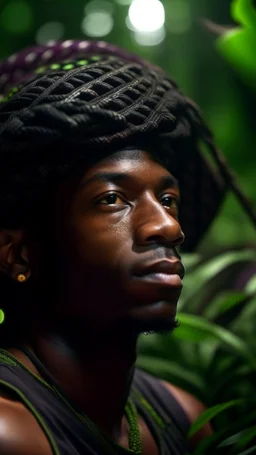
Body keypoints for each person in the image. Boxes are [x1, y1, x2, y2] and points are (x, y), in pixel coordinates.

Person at [0, 39, 253, 455]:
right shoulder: (11, 432)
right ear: (18, 253)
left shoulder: (187, 419)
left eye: (169, 199)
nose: (168, 226)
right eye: (112, 199)